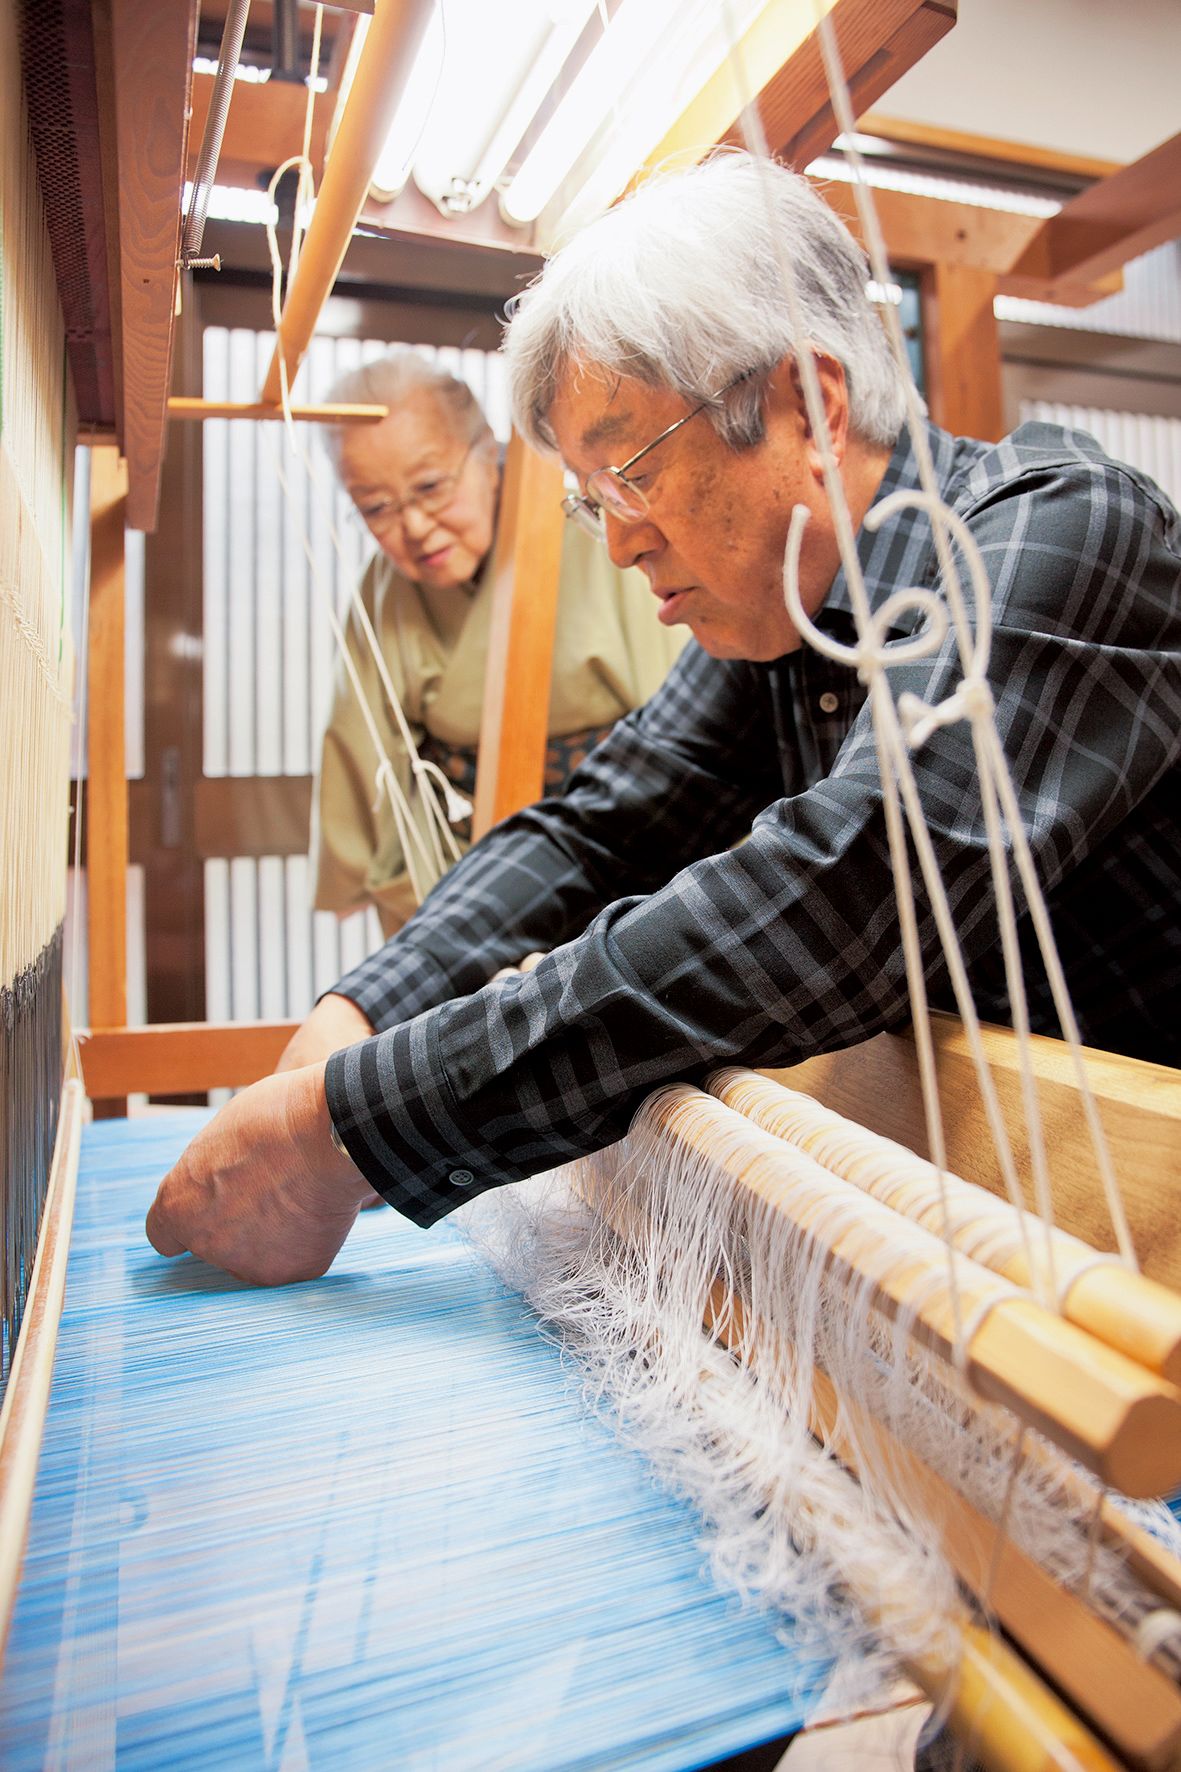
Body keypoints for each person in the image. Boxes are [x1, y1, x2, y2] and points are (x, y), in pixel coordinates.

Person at [146, 151, 1181, 1286]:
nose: (619, 538)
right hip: (997, 1226)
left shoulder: (1067, 531)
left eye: (630, 471)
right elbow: (598, 830)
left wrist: (350, 1129)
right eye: (591, 499)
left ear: (809, 406)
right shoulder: (778, 621)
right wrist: (360, 1011)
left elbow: (845, 895)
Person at [312, 351, 685, 935]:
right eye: (376, 508)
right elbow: (361, 737)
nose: (412, 526)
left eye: (431, 486)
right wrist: (352, 863)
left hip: (619, 845)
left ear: (488, 450)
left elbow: (688, 713)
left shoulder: (594, 526)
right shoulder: (384, 590)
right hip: (459, 860)